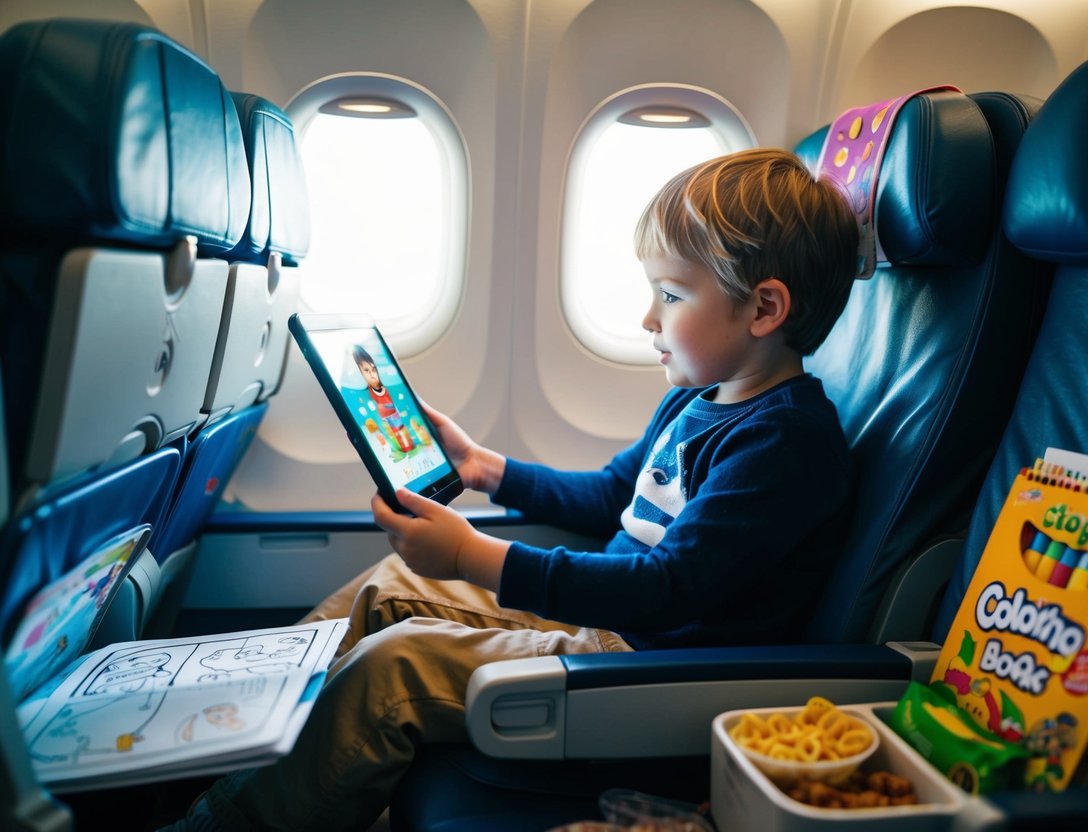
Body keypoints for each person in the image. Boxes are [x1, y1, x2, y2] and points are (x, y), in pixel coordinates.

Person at [161, 147, 860, 831]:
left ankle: (223, 821)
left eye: (670, 295)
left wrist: (472, 557)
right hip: (607, 624)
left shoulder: (784, 441)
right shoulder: (696, 401)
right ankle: (228, 746)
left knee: (394, 666)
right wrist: (483, 468)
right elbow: (608, 496)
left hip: (649, 666)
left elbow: (668, 587)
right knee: (388, 584)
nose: (648, 318)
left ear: (763, 309)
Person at [352, 344, 415, 453]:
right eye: (366, 370)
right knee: (392, 436)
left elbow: (397, 403)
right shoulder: (367, 394)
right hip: (384, 420)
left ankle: (408, 446)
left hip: (395, 415)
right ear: (360, 374)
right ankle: (401, 448)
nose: (372, 374)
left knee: (401, 430)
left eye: (373, 369)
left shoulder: (386, 389)